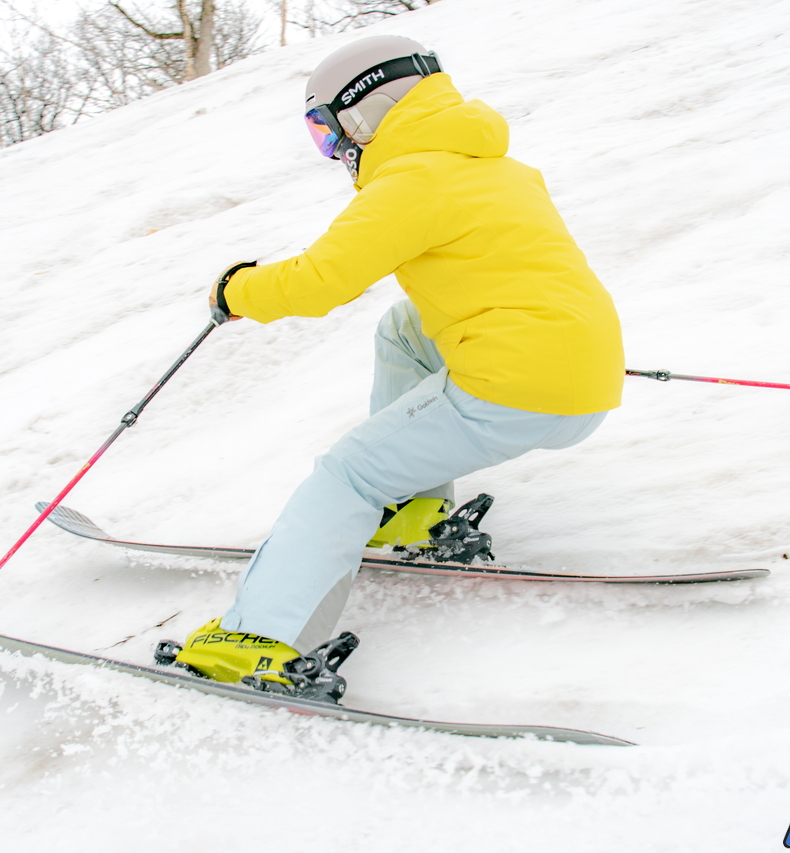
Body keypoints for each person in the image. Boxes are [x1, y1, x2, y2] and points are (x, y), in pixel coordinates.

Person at [167, 35, 624, 702]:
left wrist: (236, 290)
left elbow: (321, 281)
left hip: (518, 385)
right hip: (584, 375)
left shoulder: (411, 179)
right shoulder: (496, 166)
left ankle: (260, 636)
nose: (333, 152)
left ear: (365, 111)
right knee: (404, 329)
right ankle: (412, 507)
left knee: (348, 475)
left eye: (328, 132)